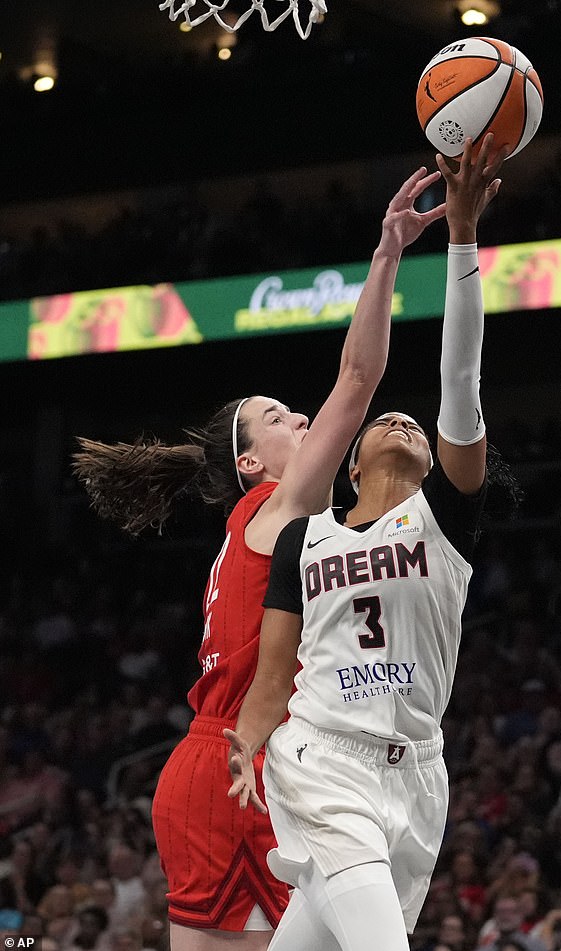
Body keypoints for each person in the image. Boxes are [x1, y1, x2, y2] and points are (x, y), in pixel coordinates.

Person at [72, 165, 448, 951]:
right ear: (251, 462)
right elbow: (358, 378)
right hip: (237, 763)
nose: (300, 415)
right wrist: (386, 256)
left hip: (244, 762)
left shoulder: (274, 523)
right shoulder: (279, 505)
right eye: (277, 416)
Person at [224, 135, 511, 951]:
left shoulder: (444, 519)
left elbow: (462, 378)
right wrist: (245, 747)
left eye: (416, 425)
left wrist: (462, 235)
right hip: (323, 757)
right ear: (349, 465)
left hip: (419, 777)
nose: (405, 419)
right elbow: (275, 673)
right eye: (389, 421)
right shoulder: (304, 538)